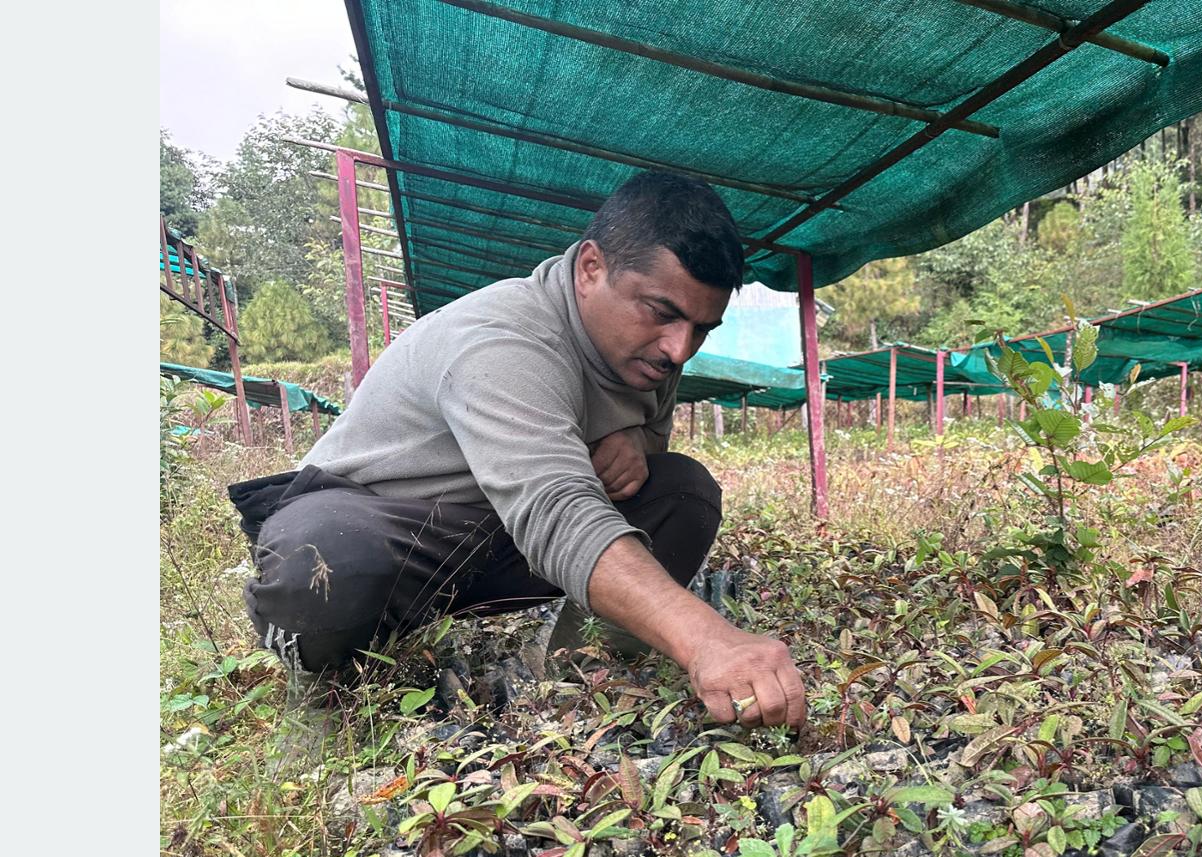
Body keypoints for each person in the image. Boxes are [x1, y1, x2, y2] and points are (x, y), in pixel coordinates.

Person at [228, 172, 807, 729]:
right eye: (661, 312)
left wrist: (637, 439)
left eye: (703, 328)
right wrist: (707, 639)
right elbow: (554, 509)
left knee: (684, 491)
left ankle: (583, 669)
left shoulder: (649, 353)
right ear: (590, 269)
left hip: (498, 537)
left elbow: (645, 445)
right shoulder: (503, 339)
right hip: (391, 526)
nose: (680, 349)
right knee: (327, 564)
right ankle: (326, 692)